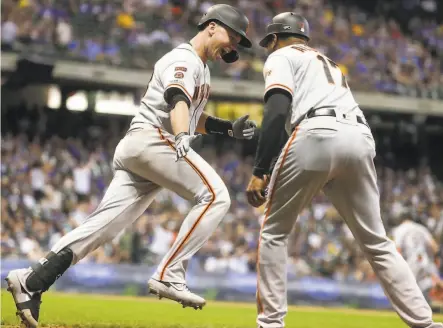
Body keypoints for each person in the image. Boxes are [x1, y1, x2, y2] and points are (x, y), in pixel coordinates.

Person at [6, 4, 255, 327]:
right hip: (153, 139)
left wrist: (227, 128)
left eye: (237, 42)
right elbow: (176, 98)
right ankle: (169, 274)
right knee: (216, 196)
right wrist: (180, 134)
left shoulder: (202, 67)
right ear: (210, 27)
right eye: (231, 36)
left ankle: (31, 280)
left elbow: (194, 116)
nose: (233, 46)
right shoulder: (184, 58)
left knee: (103, 228)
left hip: (142, 147)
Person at [245, 12, 443, 328]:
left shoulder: (282, 56)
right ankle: (425, 323)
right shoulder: (331, 64)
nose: (269, 47)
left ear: (275, 38)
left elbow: (277, 109)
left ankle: (270, 323)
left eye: (269, 42)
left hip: (316, 131)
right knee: (378, 242)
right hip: (360, 137)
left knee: (274, 232)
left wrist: (260, 168)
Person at [392, 215, 443, 304]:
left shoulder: (399, 229)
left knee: (408, 290)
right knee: (436, 283)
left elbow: (398, 249)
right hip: (426, 261)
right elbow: (434, 246)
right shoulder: (421, 228)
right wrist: (436, 260)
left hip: (412, 262)